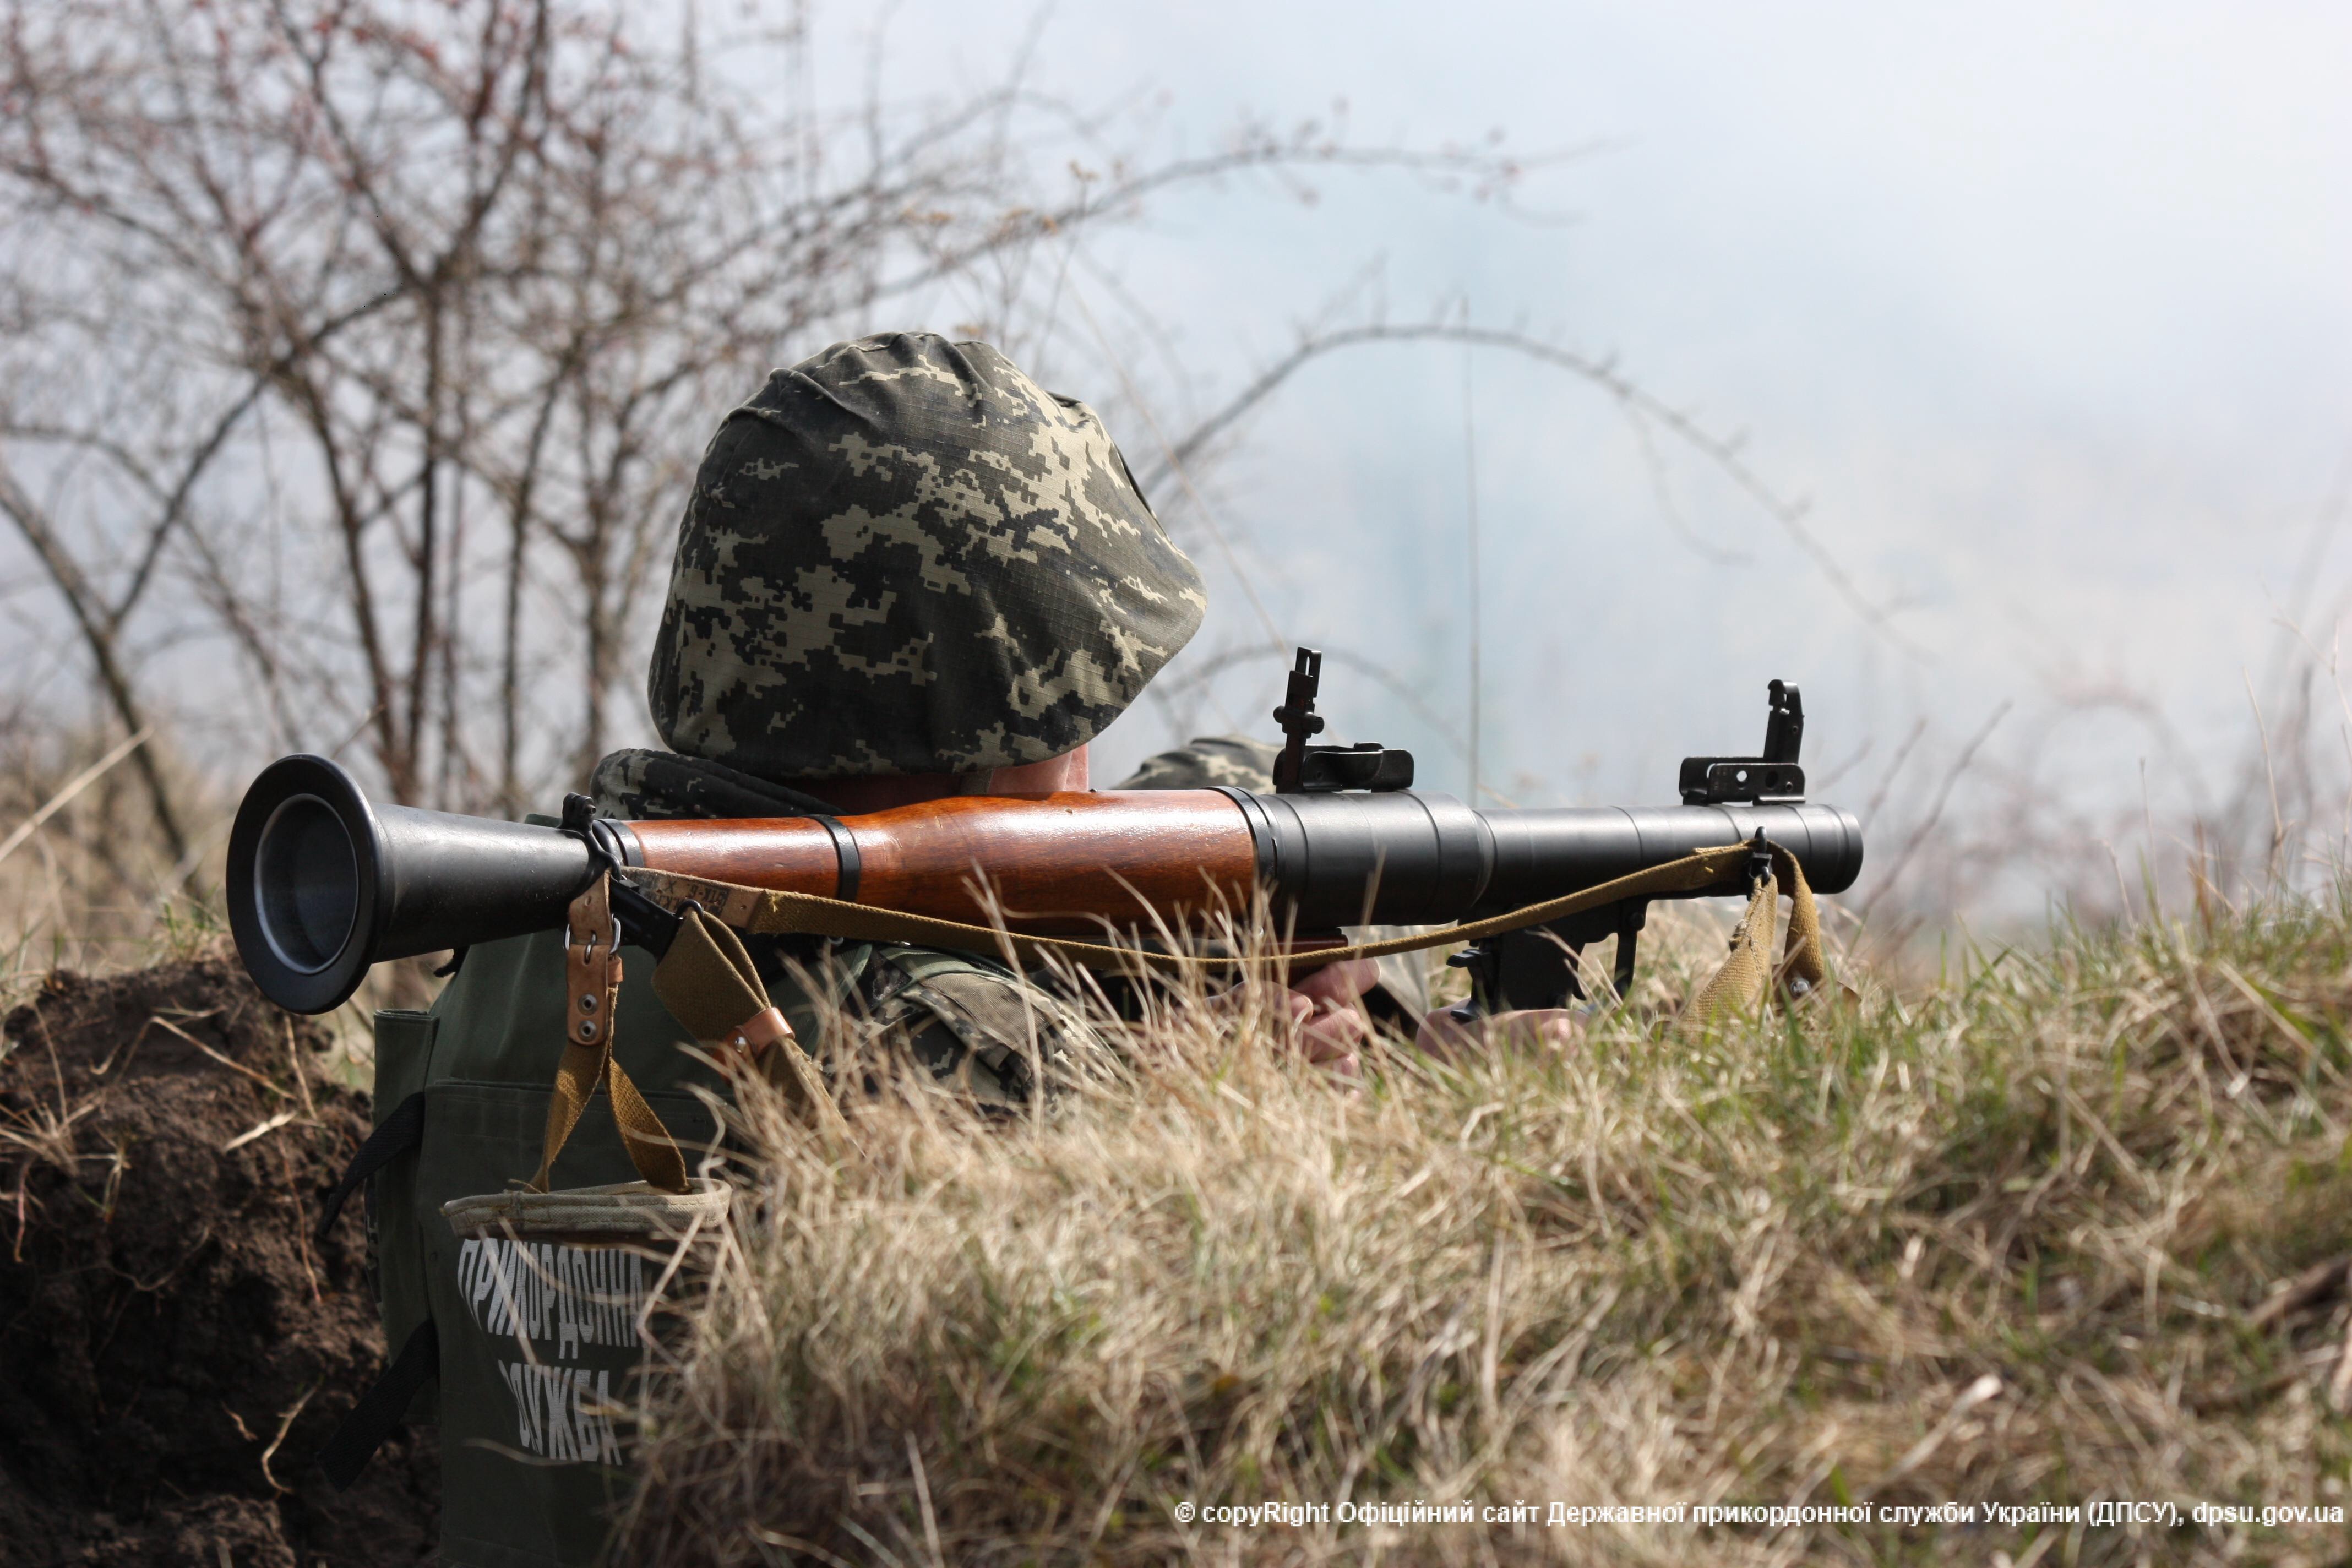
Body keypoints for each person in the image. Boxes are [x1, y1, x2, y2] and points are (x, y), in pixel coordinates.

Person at [351, 332, 1373, 1568]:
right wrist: (1271, 1104)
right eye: (1083, 710)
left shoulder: (523, 935)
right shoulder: (945, 1047)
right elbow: (1223, 1414)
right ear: (987, 716)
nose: (1094, 763)